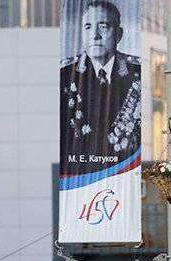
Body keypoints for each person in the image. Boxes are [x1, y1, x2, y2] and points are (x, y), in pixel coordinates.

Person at [60, 0, 142, 175]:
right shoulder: (64, 75)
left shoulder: (138, 72)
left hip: (125, 173)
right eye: (88, 27)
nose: (95, 36)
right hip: (78, 174)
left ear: (118, 34)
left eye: (103, 27)